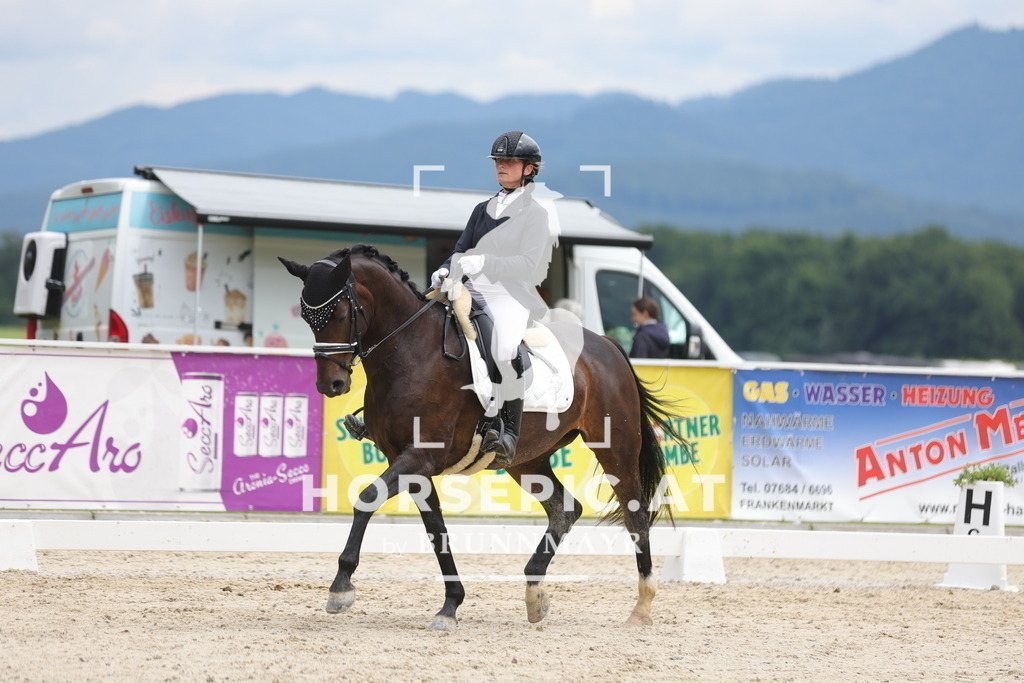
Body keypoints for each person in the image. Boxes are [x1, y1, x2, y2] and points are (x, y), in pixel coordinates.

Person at [430, 131, 558, 463]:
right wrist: (446, 269)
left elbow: (529, 265)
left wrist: (486, 261)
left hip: (510, 295)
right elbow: (460, 251)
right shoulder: (482, 209)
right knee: (426, 322)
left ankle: (509, 432)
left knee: (503, 347)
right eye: (498, 161)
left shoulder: (537, 215)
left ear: (529, 169)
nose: (501, 166)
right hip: (470, 290)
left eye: (509, 161)